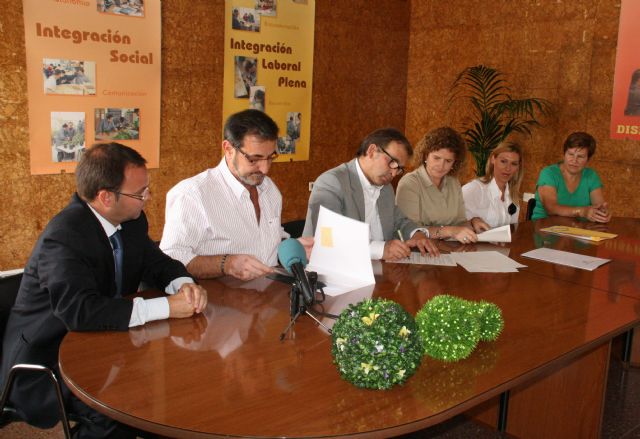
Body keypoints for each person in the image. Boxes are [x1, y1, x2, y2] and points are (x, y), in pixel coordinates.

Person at [0, 142, 207, 438]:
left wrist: (184, 284)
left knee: (164, 394)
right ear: (106, 197)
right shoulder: (63, 237)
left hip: (104, 343)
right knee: (119, 410)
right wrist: (167, 307)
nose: (147, 198)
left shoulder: (131, 220)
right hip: (46, 361)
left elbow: (156, 262)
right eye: (140, 193)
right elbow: (81, 311)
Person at [161, 109, 311, 281]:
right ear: (228, 149)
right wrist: (226, 264)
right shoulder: (192, 195)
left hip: (269, 291)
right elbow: (170, 259)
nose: (265, 169)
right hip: (217, 296)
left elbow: (266, 242)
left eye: (270, 157)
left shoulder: (269, 189)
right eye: (254, 159)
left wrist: (294, 247)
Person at [302, 128, 438, 261]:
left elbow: (399, 220)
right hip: (335, 268)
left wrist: (417, 234)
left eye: (399, 169)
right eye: (393, 163)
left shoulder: (386, 188)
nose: (394, 173)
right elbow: (328, 238)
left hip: (380, 268)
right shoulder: (332, 182)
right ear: (372, 151)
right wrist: (382, 250)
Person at [396, 127, 489, 244]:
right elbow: (409, 230)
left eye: (448, 161)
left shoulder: (454, 183)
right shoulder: (409, 183)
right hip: (419, 249)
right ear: (425, 156)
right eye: (436, 158)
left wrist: (473, 223)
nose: (441, 165)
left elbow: (459, 224)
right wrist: (450, 231)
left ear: (455, 163)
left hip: (449, 248)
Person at [531, 131, 611, 222]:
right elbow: (551, 208)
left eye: (580, 156)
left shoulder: (591, 175)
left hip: (579, 229)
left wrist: (602, 213)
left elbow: (598, 206)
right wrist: (582, 211)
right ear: (564, 154)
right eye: (570, 154)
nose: (574, 160)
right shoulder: (549, 173)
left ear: (588, 159)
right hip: (544, 227)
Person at [462, 141, 524, 228]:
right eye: (503, 161)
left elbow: (512, 230)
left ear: (518, 167)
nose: (508, 168)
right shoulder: (473, 189)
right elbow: (454, 225)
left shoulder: (512, 195)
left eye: (514, 164)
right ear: (493, 159)